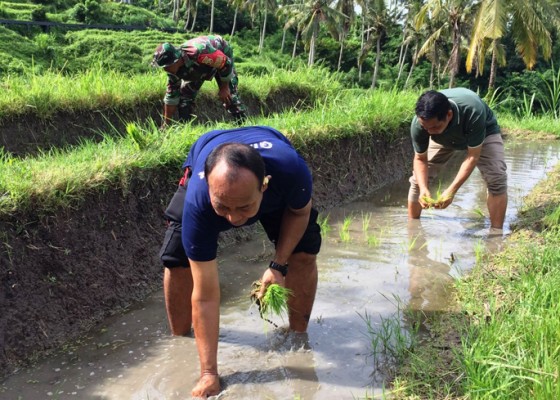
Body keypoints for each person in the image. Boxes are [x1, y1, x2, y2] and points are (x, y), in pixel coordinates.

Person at [159, 125, 321, 397]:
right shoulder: (199, 201)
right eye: (223, 207)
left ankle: (298, 335)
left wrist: (279, 265)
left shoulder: (291, 172)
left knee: (303, 252)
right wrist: (209, 373)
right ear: (209, 188)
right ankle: (182, 339)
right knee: (176, 260)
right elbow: (206, 295)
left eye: (244, 207)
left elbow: (299, 212)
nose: (234, 220)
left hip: (271, 159)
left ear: (264, 186)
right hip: (209, 150)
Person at [407, 88, 508, 229]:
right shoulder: (421, 125)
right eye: (426, 128)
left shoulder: (473, 110)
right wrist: (424, 188)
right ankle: (413, 229)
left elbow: (473, 156)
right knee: (418, 181)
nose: (429, 132)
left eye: (435, 127)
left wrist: (451, 190)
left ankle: (496, 234)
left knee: (496, 178)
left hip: (484, 133)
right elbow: (420, 159)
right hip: (443, 139)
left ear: (448, 115)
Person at [152, 35, 247, 127]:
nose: (165, 70)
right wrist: (166, 124)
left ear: (176, 60)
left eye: (166, 66)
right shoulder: (173, 71)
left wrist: (224, 87)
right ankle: (185, 128)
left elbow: (225, 63)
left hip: (220, 55)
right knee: (185, 97)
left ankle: (243, 126)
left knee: (229, 95)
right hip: (199, 68)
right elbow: (171, 96)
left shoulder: (199, 52)